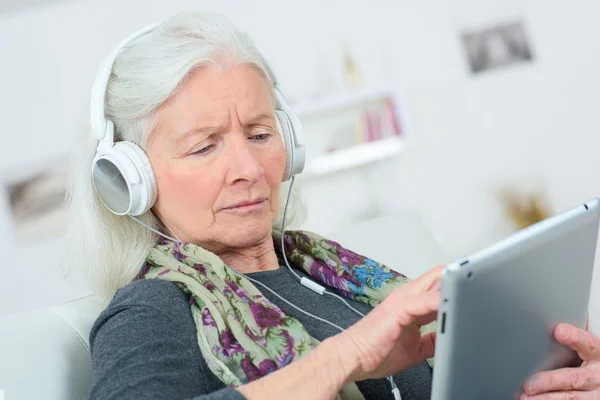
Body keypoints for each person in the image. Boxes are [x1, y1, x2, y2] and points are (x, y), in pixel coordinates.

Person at [67, 11, 600, 400]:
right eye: (204, 146)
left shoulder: (335, 278)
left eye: (258, 134)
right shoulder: (152, 310)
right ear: (129, 180)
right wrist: (348, 355)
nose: (248, 169)